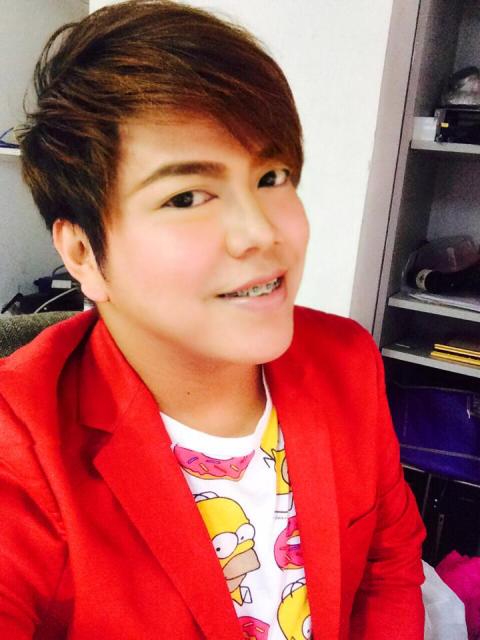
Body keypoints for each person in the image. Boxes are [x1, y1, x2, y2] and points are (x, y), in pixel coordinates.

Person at [0, 1, 425, 638]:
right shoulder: (22, 445)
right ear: (83, 252)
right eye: (187, 196)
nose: (261, 232)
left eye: (272, 176)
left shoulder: (345, 359)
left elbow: (389, 566)